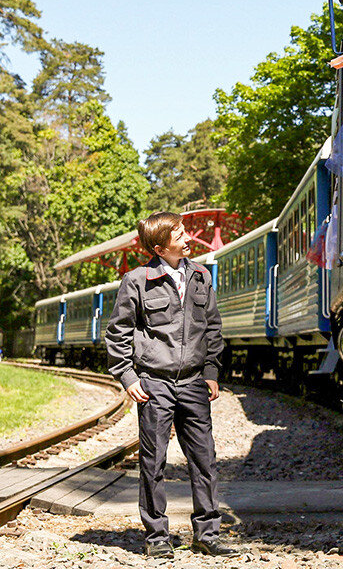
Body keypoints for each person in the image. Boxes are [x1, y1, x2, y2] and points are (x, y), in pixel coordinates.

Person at [105, 211, 237, 559]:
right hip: (154, 383)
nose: (187, 236)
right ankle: (157, 539)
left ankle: (207, 533)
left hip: (194, 382)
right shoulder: (137, 280)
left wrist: (211, 371)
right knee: (154, 461)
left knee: (204, 459)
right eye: (179, 233)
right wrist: (128, 376)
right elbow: (117, 333)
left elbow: (212, 328)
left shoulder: (200, 275)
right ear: (161, 247)